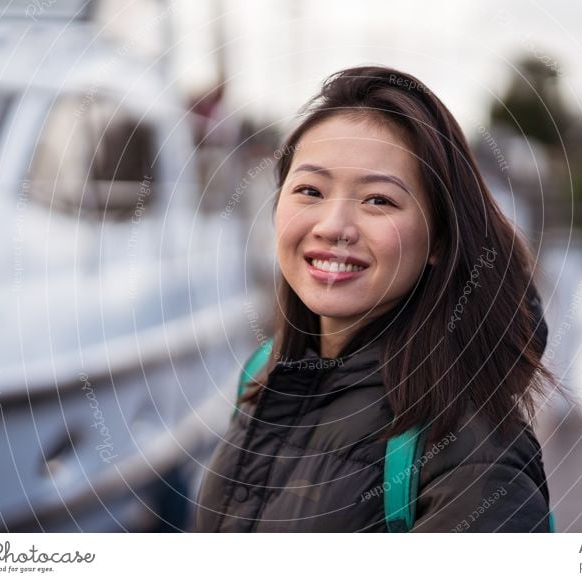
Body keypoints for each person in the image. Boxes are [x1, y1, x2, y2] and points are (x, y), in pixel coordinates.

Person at [195, 65, 554, 532]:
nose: (333, 226)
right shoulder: (267, 374)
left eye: (378, 200)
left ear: (440, 239)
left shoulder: (472, 450)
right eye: (310, 190)